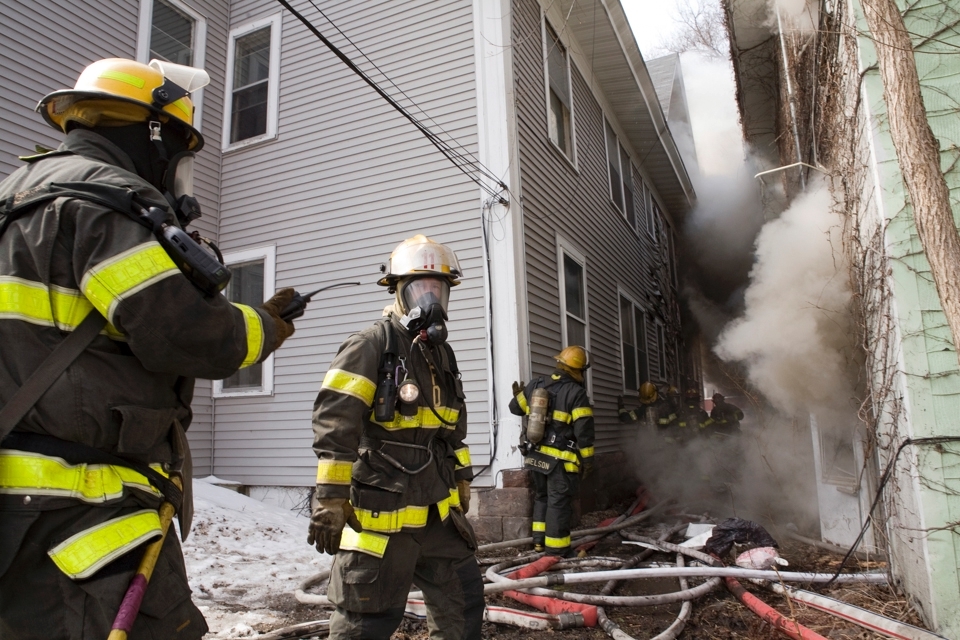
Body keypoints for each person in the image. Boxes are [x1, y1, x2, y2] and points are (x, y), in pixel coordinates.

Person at [0, 58, 295, 640]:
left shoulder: (18, 200)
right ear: (151, 135)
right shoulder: (103, 206)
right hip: (82, 516)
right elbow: (185, 335)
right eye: (181, 157)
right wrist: (265, 324)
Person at [308, 235, 483, 640]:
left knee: (464, 603)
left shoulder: (442, 354)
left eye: (438, 289)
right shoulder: (371, 345)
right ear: (399, 292)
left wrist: (461, 479)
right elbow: (336, 423)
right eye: (421, 288)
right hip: (380, 512)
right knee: (365, 620)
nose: (431, 298)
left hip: (439, 513)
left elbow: (452, 429)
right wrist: (331, 498)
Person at [510, 346, 595, 557]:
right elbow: (584, 432)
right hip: (560, 461)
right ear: (578, 370)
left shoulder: (536, 384)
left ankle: (539, 544)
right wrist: (588, 461)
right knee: (558, 503)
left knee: (542, 498)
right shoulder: (576, 394)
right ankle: (557, 551)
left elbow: (514, 407)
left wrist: (521, 395)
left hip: (535, 456)